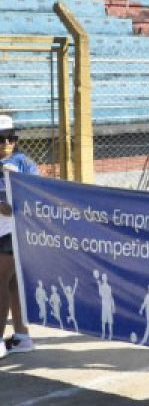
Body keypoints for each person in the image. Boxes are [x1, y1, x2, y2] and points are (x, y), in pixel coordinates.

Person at [0, 115, 37, 356]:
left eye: (11, 138)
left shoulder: (23, 163)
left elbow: (38, 193)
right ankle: (22, 336)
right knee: (11, 283)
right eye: (1, 138)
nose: (7, 143)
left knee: (1, 281)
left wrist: (17, 182)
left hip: (12, 231)